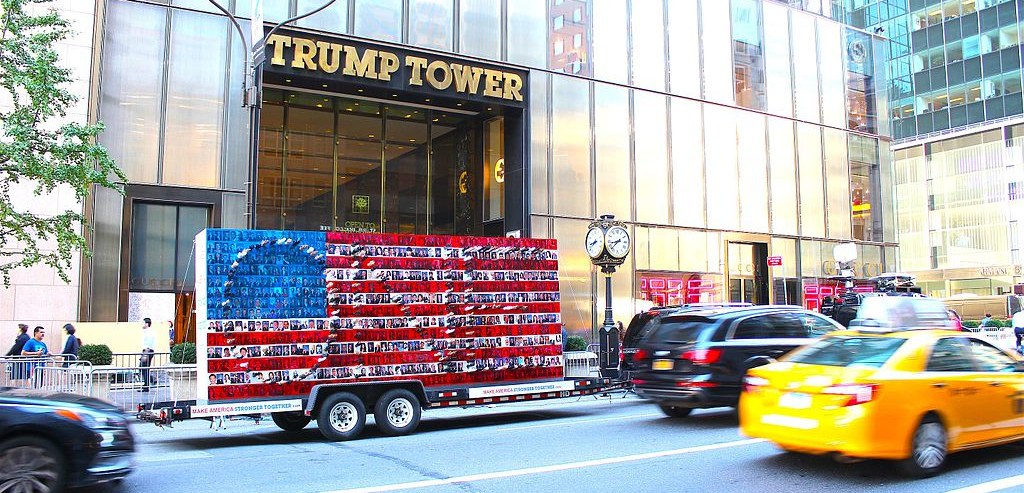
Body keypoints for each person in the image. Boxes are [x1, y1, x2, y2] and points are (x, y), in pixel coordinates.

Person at [140, 318, 155, 392]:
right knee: (143, 368)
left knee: (144, 368)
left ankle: (147, 385)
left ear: (147, 324)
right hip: (147, 351)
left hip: (147, 351)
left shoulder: (149, 332)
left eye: (143, 323)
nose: (141, 324)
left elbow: (148, 343)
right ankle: (148, 382)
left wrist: (145, 353)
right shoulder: (146, 331)